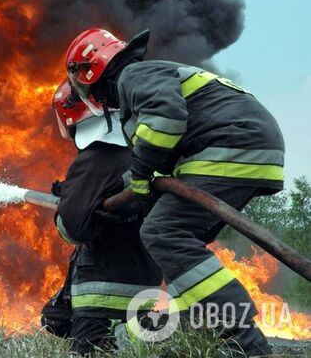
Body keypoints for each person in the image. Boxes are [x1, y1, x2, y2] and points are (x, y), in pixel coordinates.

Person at [64, 28, 284, 356]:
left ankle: (244, 342)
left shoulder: (133, 76)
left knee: (164, 232)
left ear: (92, 71)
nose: (91, 96)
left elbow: (166, 121)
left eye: (84, 86)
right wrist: (130, 193)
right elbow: (164, 154)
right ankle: (203, 332)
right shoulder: (147, 79)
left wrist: (138, 177)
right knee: (178, 245)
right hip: (245, 147)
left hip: (231, 144)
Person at [41, 79, 162, 356]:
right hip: (144, 280)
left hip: (102, 289)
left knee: (91, 351)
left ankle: (124, 339)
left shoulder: (96, 157)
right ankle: (129, 337)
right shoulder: (140, 153)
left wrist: (67, 207)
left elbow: (73, 229)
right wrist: (77, 196)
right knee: (55, 318)